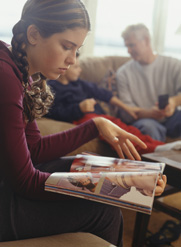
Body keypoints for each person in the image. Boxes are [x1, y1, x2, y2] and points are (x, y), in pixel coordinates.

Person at [0, 1, 167, 246]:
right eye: (67, 47)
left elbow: (33, 150)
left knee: (80, 166)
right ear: (33, 34)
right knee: (104, 210)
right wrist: (116, 186)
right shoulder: (5, 77)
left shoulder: (19, 69)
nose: (72, 60)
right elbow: (25, 181)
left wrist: (96, 126)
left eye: (77, 49)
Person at [46, 54, 179, 154]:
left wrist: (126, 108)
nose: (80, 70)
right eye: (76, 67)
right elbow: (55, 112)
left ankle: (160, 146)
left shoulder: (79, 83)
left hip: (101, 117)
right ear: (64, 68)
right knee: (119, 136)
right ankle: (154, 149)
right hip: (86, 119)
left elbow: (104, 94)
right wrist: (79, 108)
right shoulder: (52, 88)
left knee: (128, 129)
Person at [116, 23, 181, 142]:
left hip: (172, 117)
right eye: (127, 46)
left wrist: (173, 102)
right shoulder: (123, 73)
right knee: (149, 127)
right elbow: (126, 112)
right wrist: (149, 113)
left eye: (131, 45)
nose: (128, 51)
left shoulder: (174, 65)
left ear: (146, 40)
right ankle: (158, 160)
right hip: (146, 120)